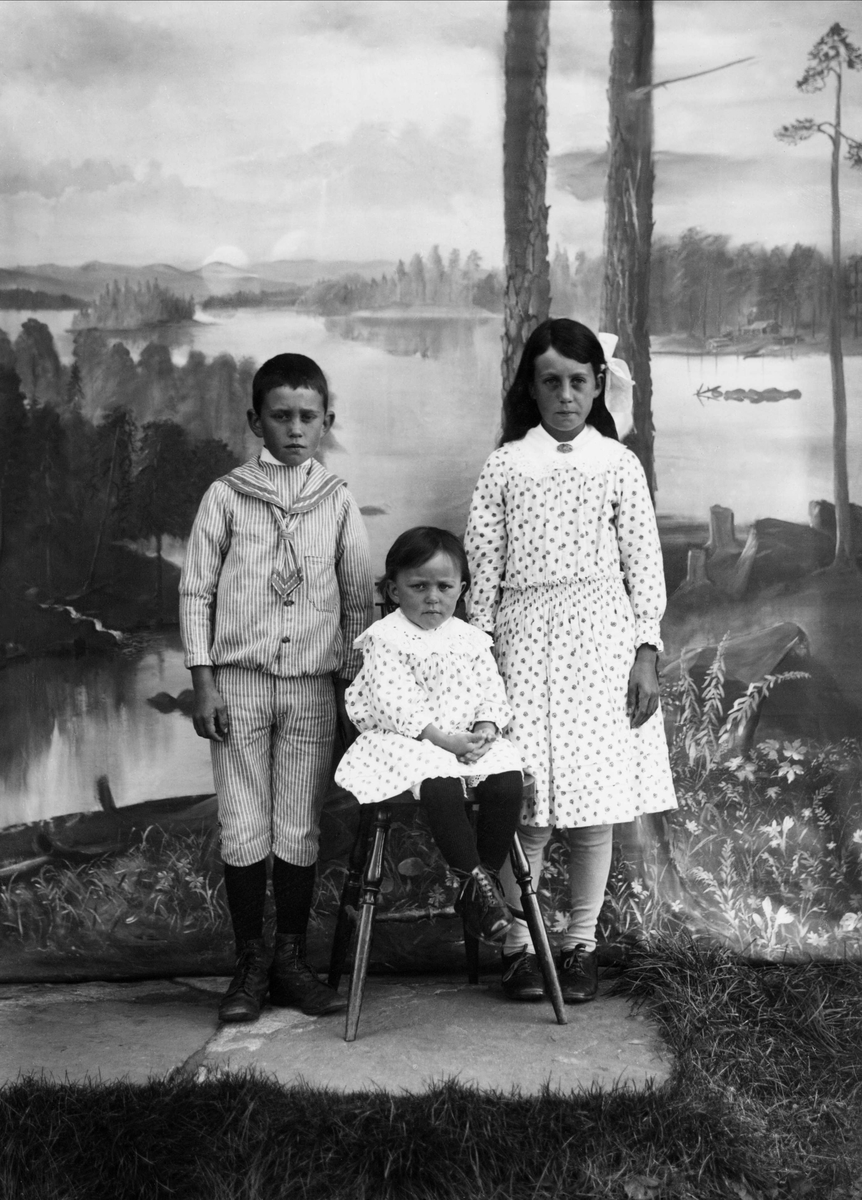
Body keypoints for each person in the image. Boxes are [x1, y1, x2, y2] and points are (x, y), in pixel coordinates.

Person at [464, 318, 677, 1003]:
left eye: (577, 382)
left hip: (602, 643)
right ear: (531, 387)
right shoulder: (505, 464)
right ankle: (520, 947)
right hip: (523, 641)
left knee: (592, 807)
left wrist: (646, 652)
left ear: (597, 385)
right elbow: (484, 567)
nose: (565, 395)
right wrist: (482, 659)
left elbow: (643, 563)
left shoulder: (617, 463)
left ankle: (581, 944)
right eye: (550, 381)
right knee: (527, 809)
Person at [180, 353, 373, 1023]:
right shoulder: (226, 496)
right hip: (239, 685)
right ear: (254, 420)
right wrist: (203, 682)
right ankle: (250, 963)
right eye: (281, 416)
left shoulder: (337, 500)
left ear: (327, 422)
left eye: (307, 417)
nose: (295, 429)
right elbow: (197, 591)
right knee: (242, 824)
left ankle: (291, 959)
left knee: (297, 826)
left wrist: (352, 690)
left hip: (312, 689)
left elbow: (356, 600)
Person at [335, 526, 524, 944]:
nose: (432, 597)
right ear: (394, 590)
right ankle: (478, 885)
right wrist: (444, 741)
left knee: (507, 778)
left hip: (462, 741)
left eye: (444, 586)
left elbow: (491, 691)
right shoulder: (387, 638)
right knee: (440, 782)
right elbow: (395, 703)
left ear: (462, 589)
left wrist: (485, 728)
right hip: (406, 740)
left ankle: (482, 888)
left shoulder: (470, 639)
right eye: (418, 586)